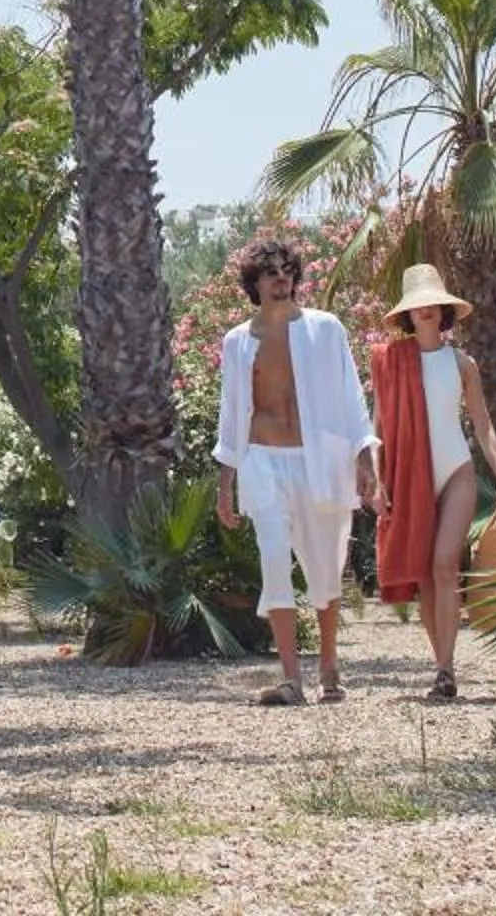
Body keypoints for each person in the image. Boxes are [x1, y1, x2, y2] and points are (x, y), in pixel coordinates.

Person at [211, 234, 376, 705]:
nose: (281, 277)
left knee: (325, 567)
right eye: (270, 272)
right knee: (273, 563)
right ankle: (290, 678)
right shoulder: (238, 342)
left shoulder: (326, 329)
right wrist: (226, 483)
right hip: (263, 461)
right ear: (255, 284)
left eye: (287, 270)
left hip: (319, 460)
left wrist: (365, 460)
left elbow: (351, 399)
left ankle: (328, 667)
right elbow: (231, 413)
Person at [370, 263, 496, 702]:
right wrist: (377, 482)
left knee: (445, 564)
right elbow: (376, 429)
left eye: (433, 303)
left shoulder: (462, 362)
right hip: (408, 477)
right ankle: (441, 668)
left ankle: (447, 670)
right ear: (407, 316)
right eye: (418, 306)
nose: (426, 311)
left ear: (444, 310)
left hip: (456, 472)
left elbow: (483, 424)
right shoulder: (390, 363)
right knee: (427, 576)